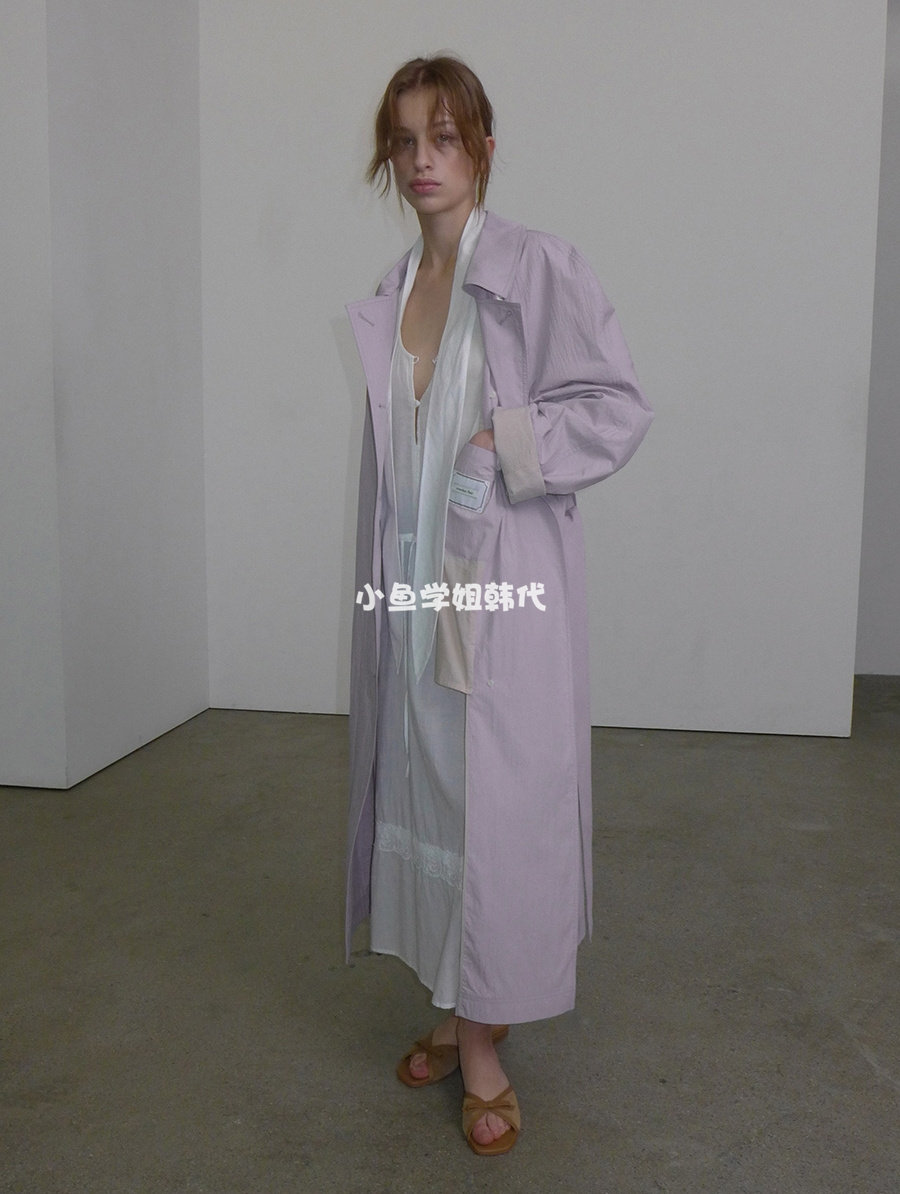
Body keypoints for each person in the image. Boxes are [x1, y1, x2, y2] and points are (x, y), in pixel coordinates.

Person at [345, 55, 653, 1156]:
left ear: (482, 147)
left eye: (444, 137)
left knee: (495, 806)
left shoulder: (537, 268)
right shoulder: (395, 289)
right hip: (414, 584)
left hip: (501, 591)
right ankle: (454, 997)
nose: (422, 160)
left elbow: (616, 408)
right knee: (428, 790)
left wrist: (502, 439)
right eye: (405, 140)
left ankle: (482, 1043)